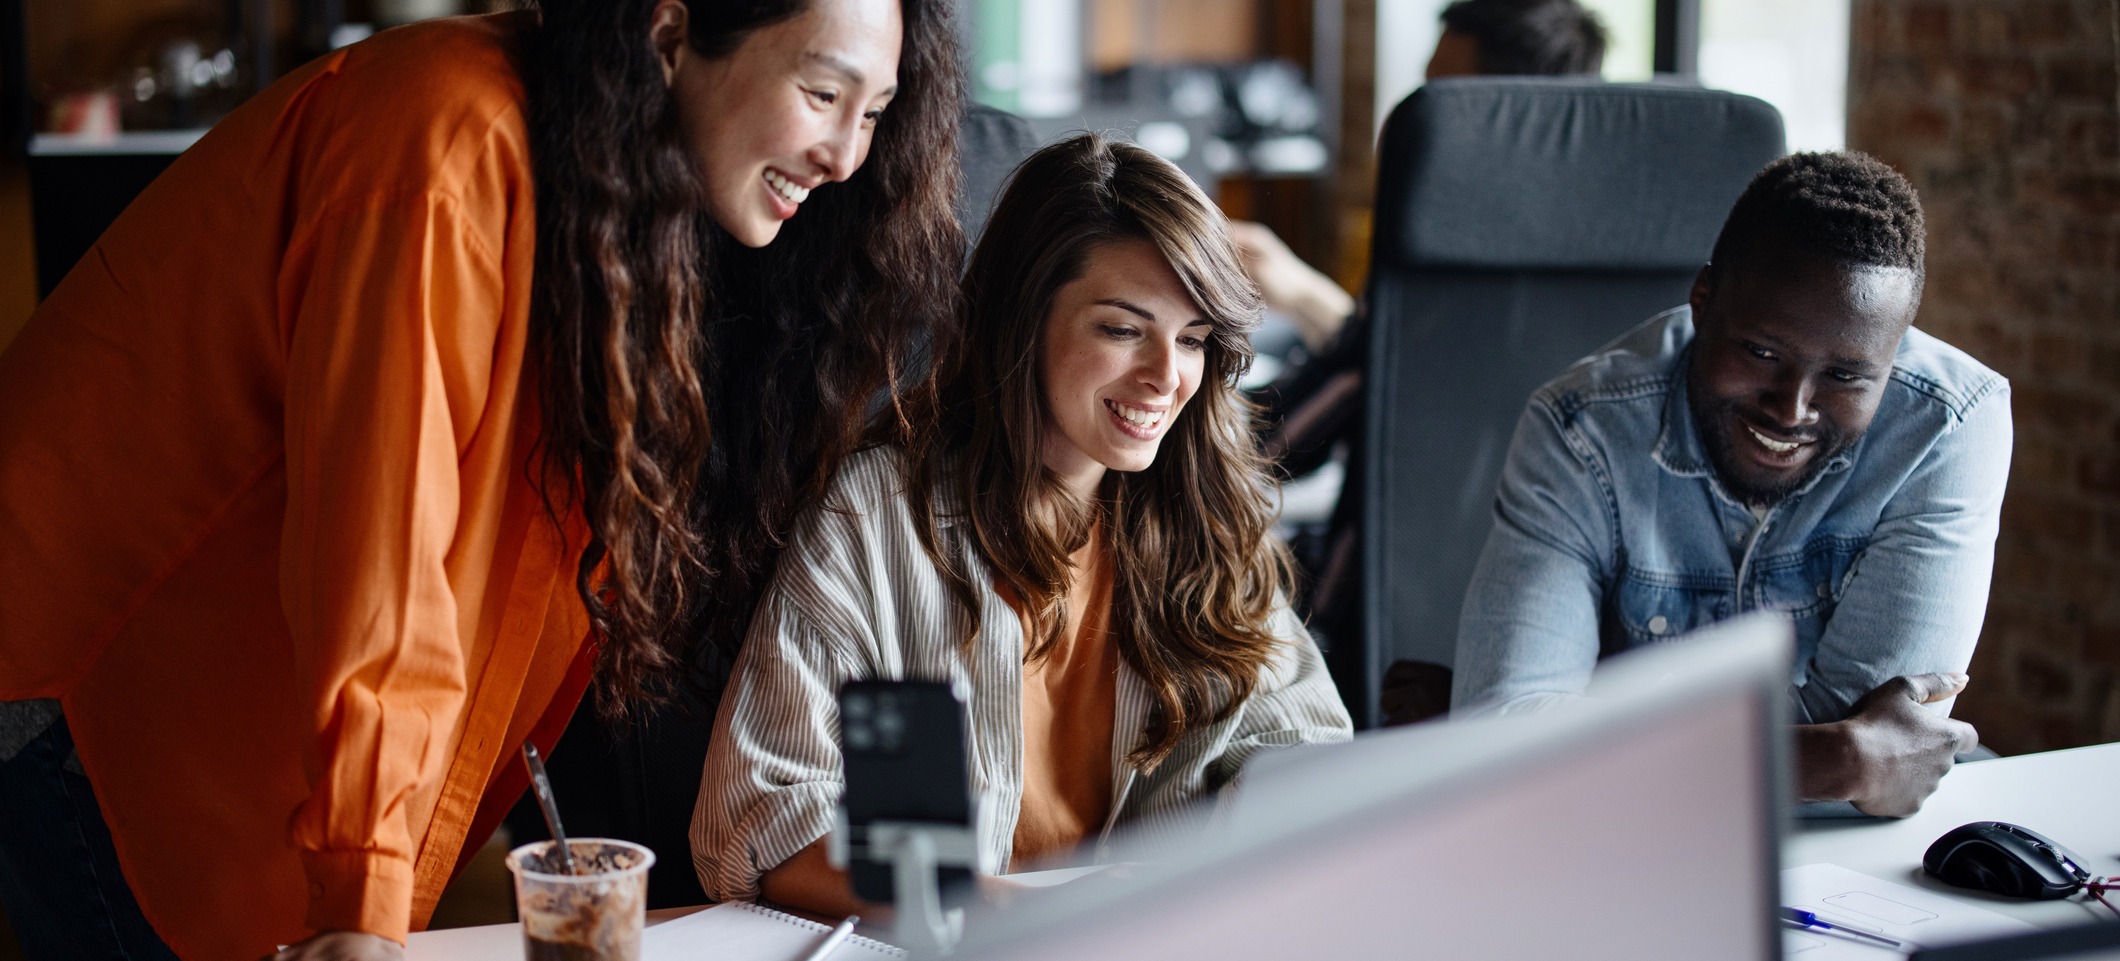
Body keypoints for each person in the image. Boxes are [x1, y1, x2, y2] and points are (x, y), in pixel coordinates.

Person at [0, 0, 963, 958]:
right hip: (92, 687)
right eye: (823, 91)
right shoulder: (443, 142)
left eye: (874, 112)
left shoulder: (617, 177)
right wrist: (361, 888)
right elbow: (382, 546)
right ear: (672, 37)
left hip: (228, 721)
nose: (847, 156)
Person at [690, 133, 1353, 916]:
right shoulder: (877, 516)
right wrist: (992, 909)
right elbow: (762, 821)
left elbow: (1306, 760)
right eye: (1122, 328)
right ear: (1024, 318)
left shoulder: (1205, 520)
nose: (1167, 376)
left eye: (1194, 340)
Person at [1453, 152, 2009, 818]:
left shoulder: (1948, 424)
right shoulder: (1582, 429)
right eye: (1762, 353)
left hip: (1840, 852)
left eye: (1845, 377)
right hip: (1629, 847)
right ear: (1703, 301)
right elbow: (1507, 748)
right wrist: (1831, 759)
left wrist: (1570, 724)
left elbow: (1889, 724)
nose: (1792, 408)